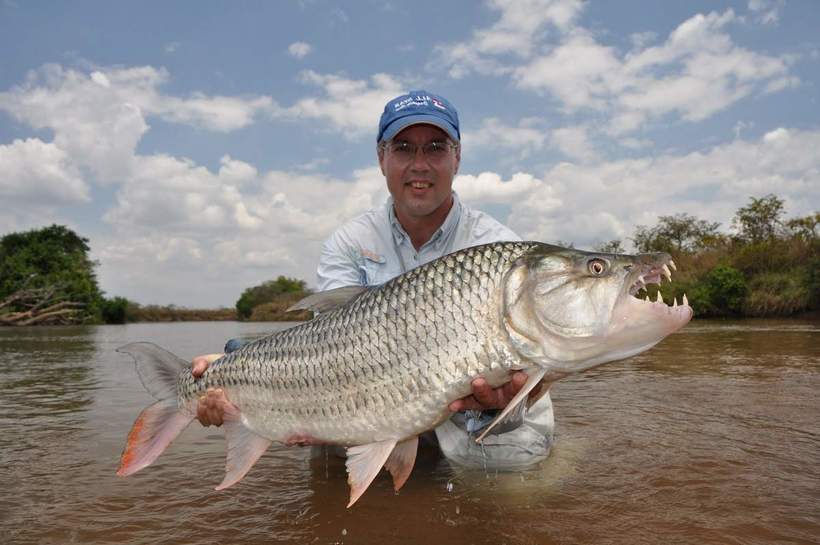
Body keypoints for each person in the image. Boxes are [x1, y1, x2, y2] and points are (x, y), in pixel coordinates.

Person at [193, 90, 554, 467]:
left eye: (435, 147)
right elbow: (324, 350)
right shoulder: (350, 242)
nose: (419, 165)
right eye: (403, 148)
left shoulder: (501, 249)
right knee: (327, 454)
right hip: (372, 394)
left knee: (512, 485)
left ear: (457, 157)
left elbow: (543, 359)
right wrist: (235, 368)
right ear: (381, 158)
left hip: (474, 412)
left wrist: (526, 390)